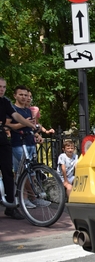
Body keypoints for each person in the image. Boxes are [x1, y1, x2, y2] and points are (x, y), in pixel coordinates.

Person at [0, 78, 40, 219]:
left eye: (4, 87)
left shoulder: (5, 102)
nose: (2, 89)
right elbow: (11, 123)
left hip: (2, 138)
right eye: (0, 86)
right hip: (11, 138)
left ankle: (11, 206)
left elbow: (15, 115)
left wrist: (31, 126)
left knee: (8, 173)